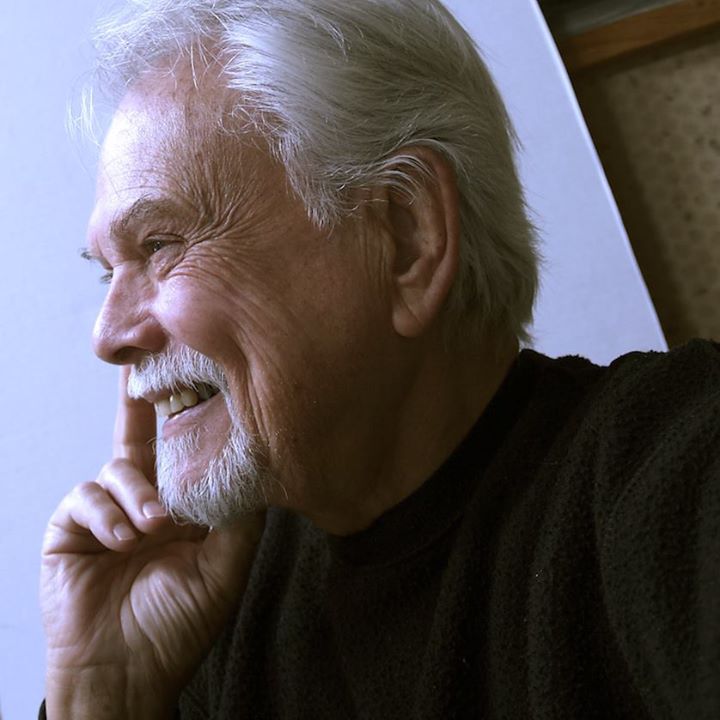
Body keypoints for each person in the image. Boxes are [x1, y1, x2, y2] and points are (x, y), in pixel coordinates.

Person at [40, 1, 720, 718]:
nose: (107, 335)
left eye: (160, 246)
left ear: (405, 235)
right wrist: (100, 697)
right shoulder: (191, 604)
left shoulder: (671, 473)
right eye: (106, 272)